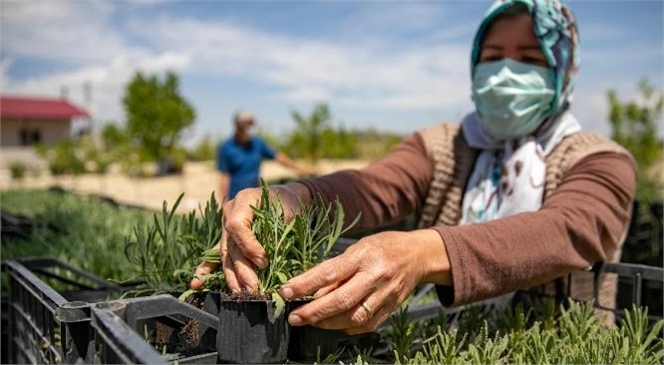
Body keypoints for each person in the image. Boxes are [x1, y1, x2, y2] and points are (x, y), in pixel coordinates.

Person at [193, 0, 635, 334]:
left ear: (563, 69)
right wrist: (291, 197)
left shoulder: (600, 160)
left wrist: (422, 252)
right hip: (446, 345)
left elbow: (566, 231)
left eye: (531, 59)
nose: (505, 71)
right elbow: (378, 185)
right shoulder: (447, 144)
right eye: (493, 55)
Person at [216, 109, 312, 202]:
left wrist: (302, 169)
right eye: (247, 124)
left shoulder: (257, 143)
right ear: (238, 125)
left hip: (255, 196)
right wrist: (225, 203)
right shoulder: (226, 147)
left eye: (252, 123)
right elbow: (224, 177)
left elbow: (278, 157)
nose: (250, 127)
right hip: (235, 198)